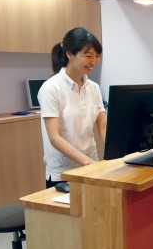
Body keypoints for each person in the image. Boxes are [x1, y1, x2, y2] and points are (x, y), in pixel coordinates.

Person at [38, 27, 106, 188]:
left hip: (91, 167)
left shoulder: (94, 88)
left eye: (97, 56)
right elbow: (55, 137)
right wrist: (88, 162)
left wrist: (118, 153)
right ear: (69, 54)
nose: (94, 61)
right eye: (88, 56)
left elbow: (102, 125)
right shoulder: (51, 88)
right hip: (63, 174)